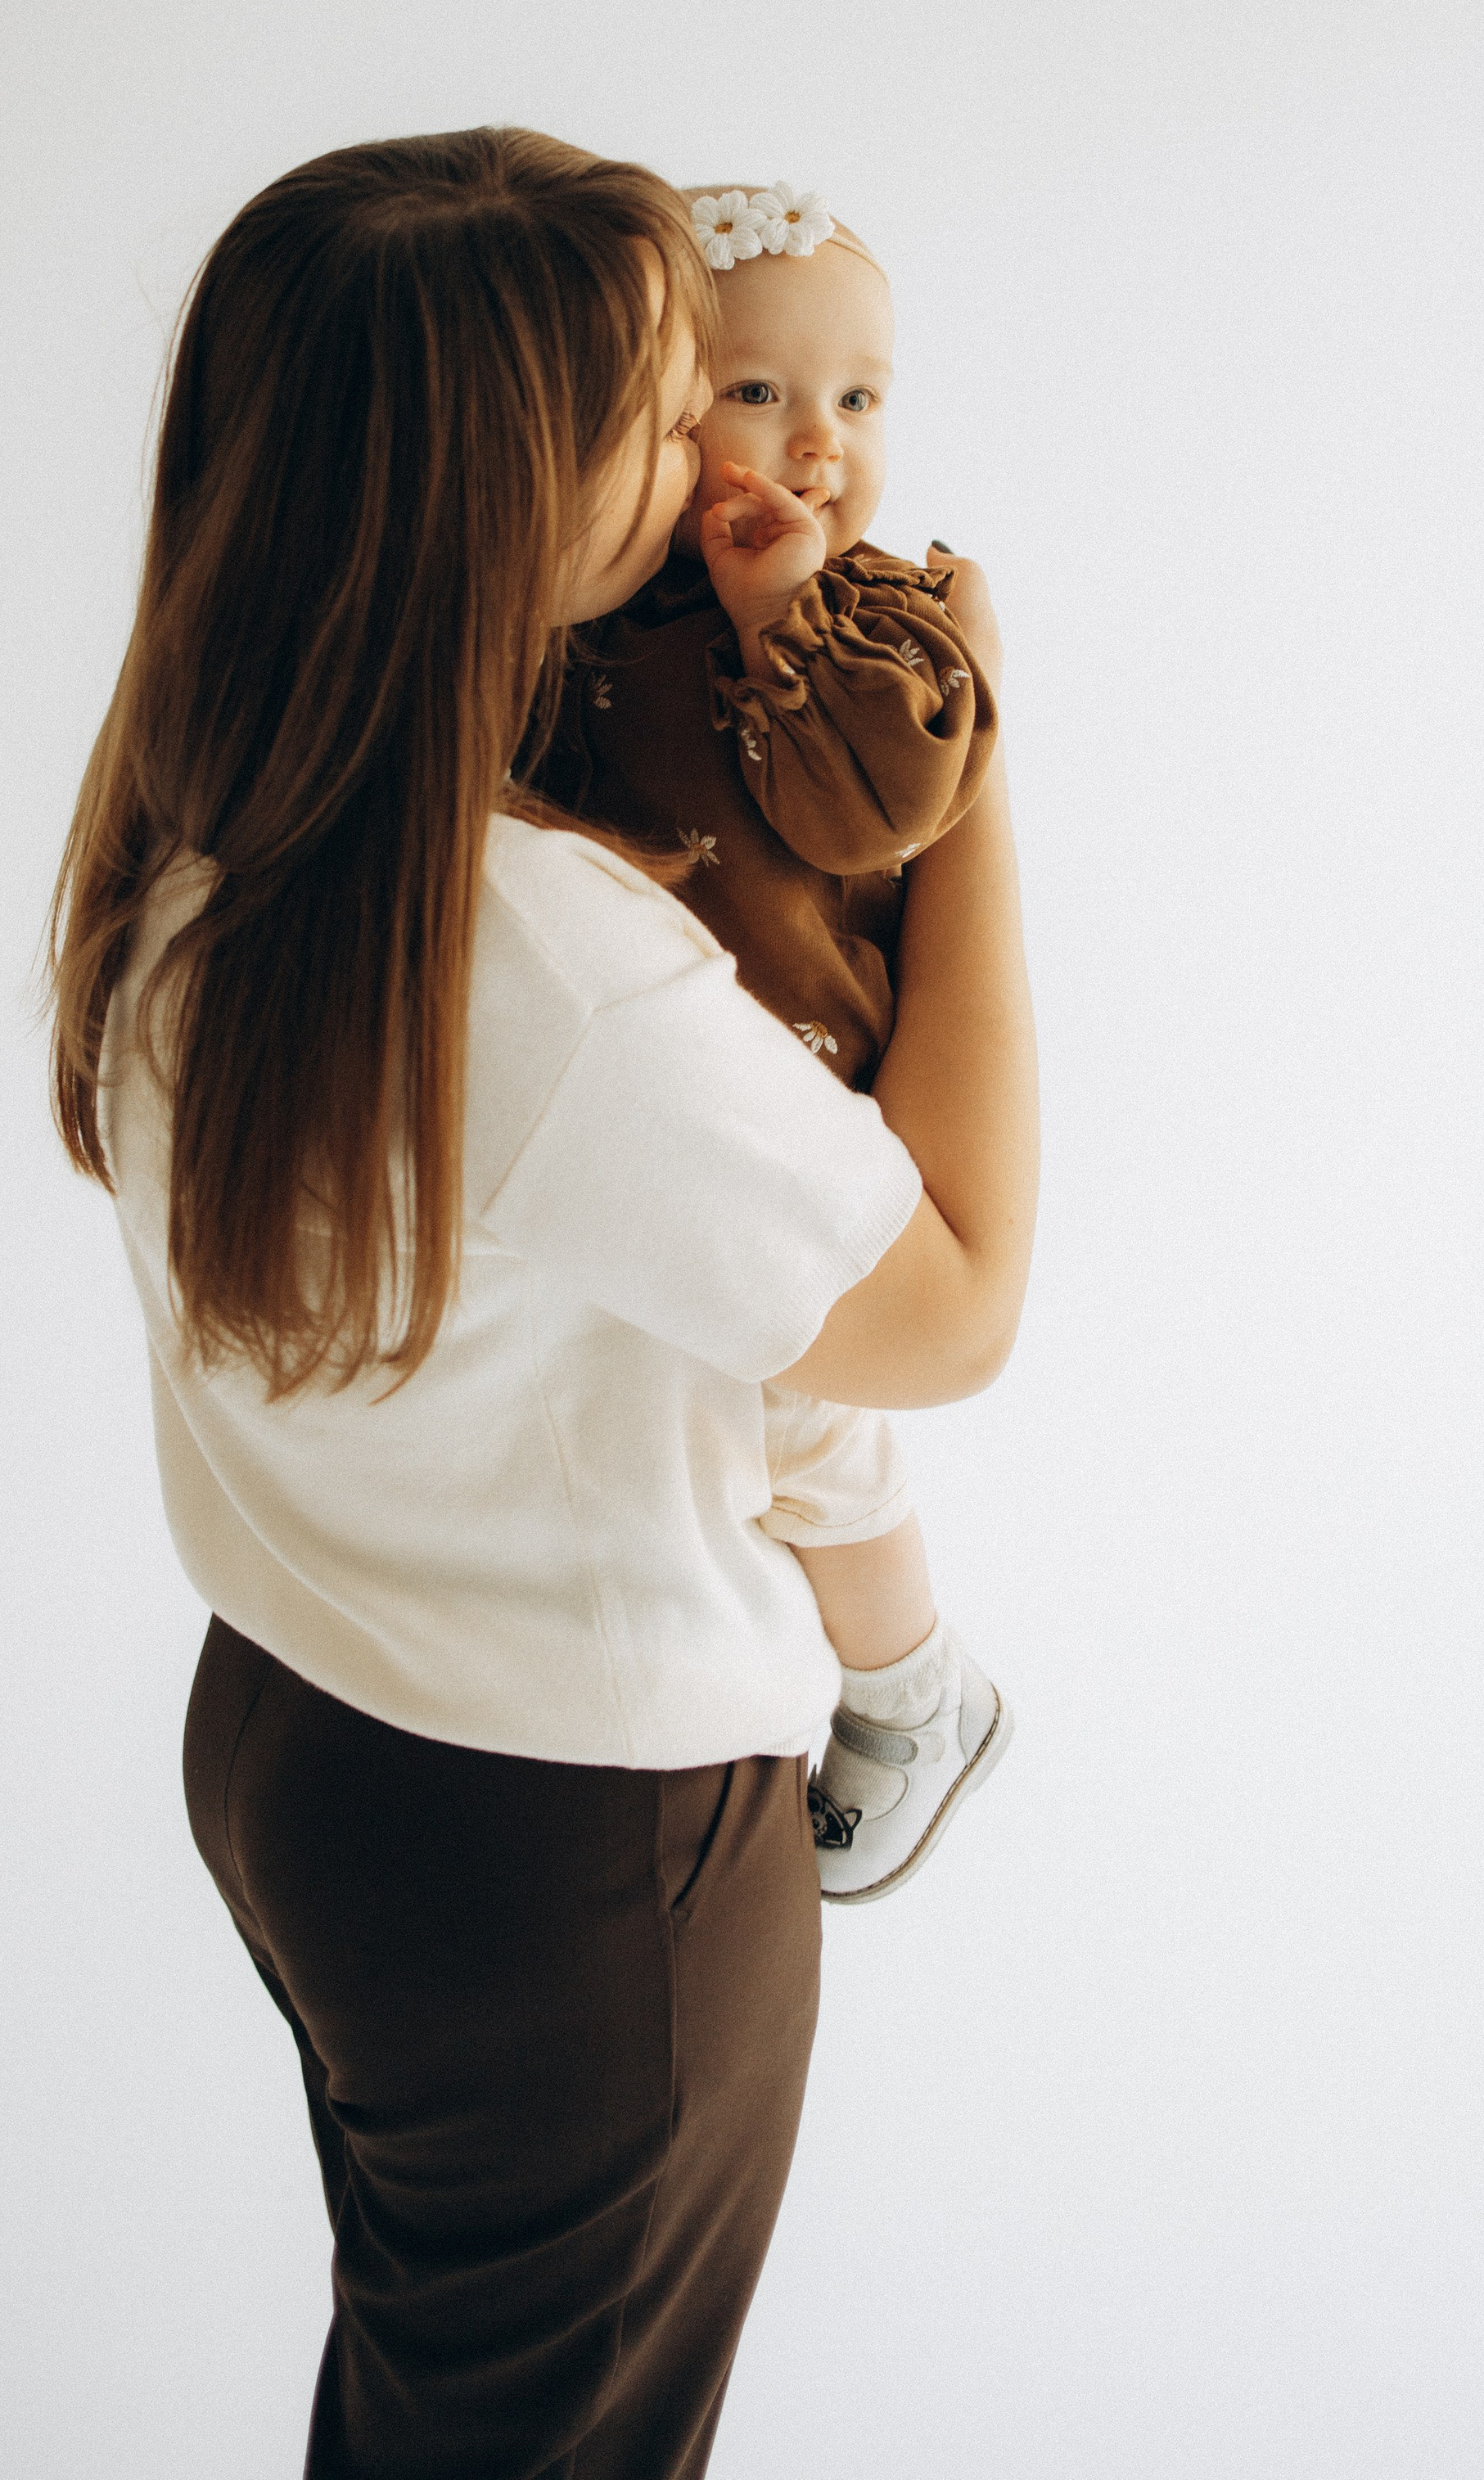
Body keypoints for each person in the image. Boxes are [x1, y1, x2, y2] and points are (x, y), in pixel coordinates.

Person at [48, 129, 1038, 2479]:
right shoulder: (554, 964)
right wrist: (975, 752)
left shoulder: (212, 829)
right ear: (520, 492)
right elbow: (951, 1306)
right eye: (658, 394)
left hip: (308, 1747)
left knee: (439, 2418)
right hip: (576, 1865)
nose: (719, 426)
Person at [543, 179, 1017, 1903]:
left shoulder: (887, 623)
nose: (816, 444)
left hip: (802, 1084)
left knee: (796, 1404)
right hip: (652, 1095)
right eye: (757, 393)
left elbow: (882, 802)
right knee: (703, 1395)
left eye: (859, 398)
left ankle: (909, 1685)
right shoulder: (591, 619)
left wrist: (779, 623)